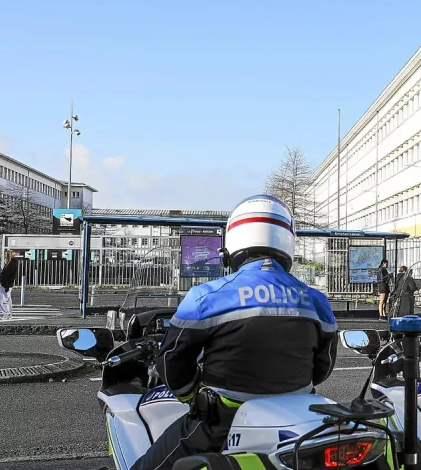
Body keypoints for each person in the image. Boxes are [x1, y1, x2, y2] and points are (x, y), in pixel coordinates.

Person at [131, 194, 338, 470]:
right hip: (298, 423)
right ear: (287, 242)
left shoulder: (205, 296)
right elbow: (322, 369)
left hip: (222, 424)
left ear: (232, 245)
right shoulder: (315, 300)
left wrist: (193, 397)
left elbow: (171, 364)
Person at [0, 251, 18, 320]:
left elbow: (12, 275)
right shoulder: (8, 263)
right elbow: (4, 274)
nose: (5, 256)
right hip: (4, 283)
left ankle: (7, 314)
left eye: (7, 255)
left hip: (6, 284)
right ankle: (7, 313)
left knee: (5, 299)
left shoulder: (13, 263)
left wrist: (7, 285)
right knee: (2, 300)